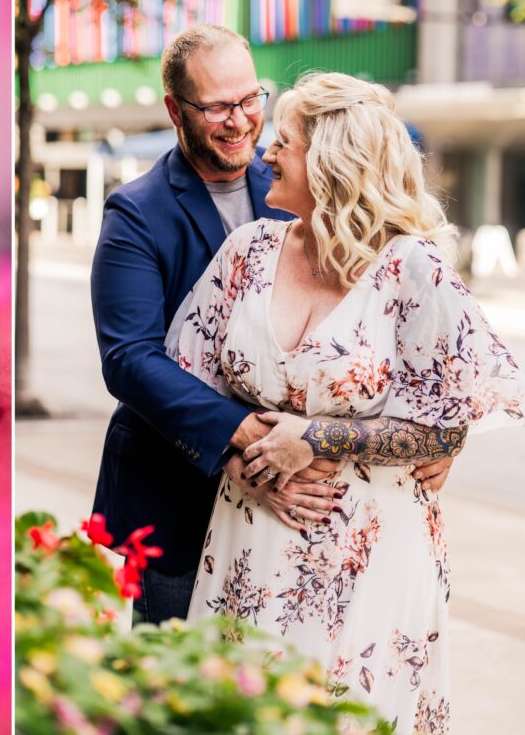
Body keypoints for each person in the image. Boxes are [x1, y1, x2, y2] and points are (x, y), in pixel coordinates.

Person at [176, 71, 525, 733]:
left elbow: (448, 425)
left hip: (371, 554)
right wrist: (238, 454)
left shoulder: (413, 269)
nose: (266, 154)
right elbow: (183, 384)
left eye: (285, 142)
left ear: (334, 159)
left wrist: (317, 439)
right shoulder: (247, 252)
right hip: (249, 535)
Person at [90, 24, 453, 625]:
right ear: (175, 110)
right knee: (179, 694)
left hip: (309, 514)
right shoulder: (135, 212)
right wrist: (248, 446)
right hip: (180, 486)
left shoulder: (300, 178)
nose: (241, 122)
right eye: (216, 107)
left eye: (249, 99)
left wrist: (431, 434)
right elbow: (129, 359)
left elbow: (398, 324)